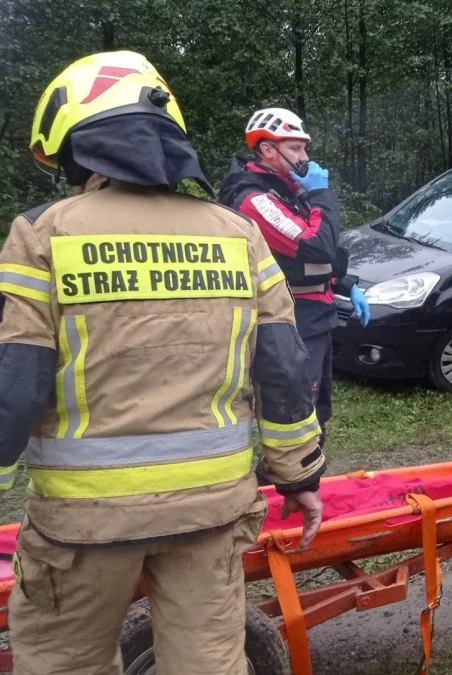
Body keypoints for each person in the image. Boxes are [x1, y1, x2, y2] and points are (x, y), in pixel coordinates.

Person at [0, 50, 327, 674]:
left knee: (64, 662)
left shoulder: (43, 233)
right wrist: (299, 477)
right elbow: (284, 369)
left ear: (77, 141)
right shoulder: (237, 233)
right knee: (209, 661)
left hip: (82, 526)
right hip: (210, 512)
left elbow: (14, 384)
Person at [219, 109, 369, 461]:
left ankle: (303, 486)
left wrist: (346, 284)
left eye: (305, 149)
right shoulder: (255, 200)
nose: (305, 158)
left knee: (317, 413)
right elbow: (318, 246)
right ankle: (281, 488)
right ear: (268, 150)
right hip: (289, 321)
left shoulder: (287, 191)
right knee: (296, 416)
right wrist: (322, 196)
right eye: (296, 149)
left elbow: (308, 261)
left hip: (315, 315)